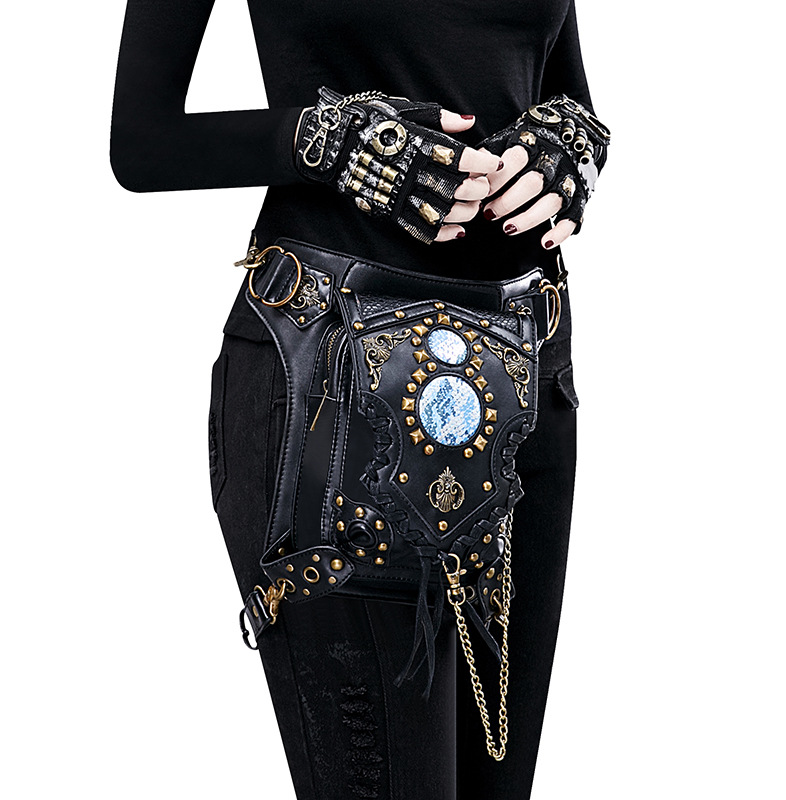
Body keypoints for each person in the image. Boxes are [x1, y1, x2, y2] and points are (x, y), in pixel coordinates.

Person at [110, 1, 607, 797]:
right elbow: (141, 141)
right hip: (333, 388)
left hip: (525, 377)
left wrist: (565, 149)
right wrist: (331, 142)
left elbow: (558, 85)